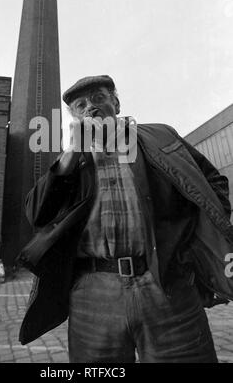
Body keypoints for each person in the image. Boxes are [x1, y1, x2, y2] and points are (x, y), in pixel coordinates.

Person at [18, 75, 233, 363]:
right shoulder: (72, 160)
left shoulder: (159, 137)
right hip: (93, 293)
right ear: (75, 118)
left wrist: (199, 232)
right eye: (81, 106)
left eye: (98, 98)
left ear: (115, 103)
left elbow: (212, 181)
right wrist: (71, 154)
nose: (91, 108)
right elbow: (36, 213)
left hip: (166, 284)